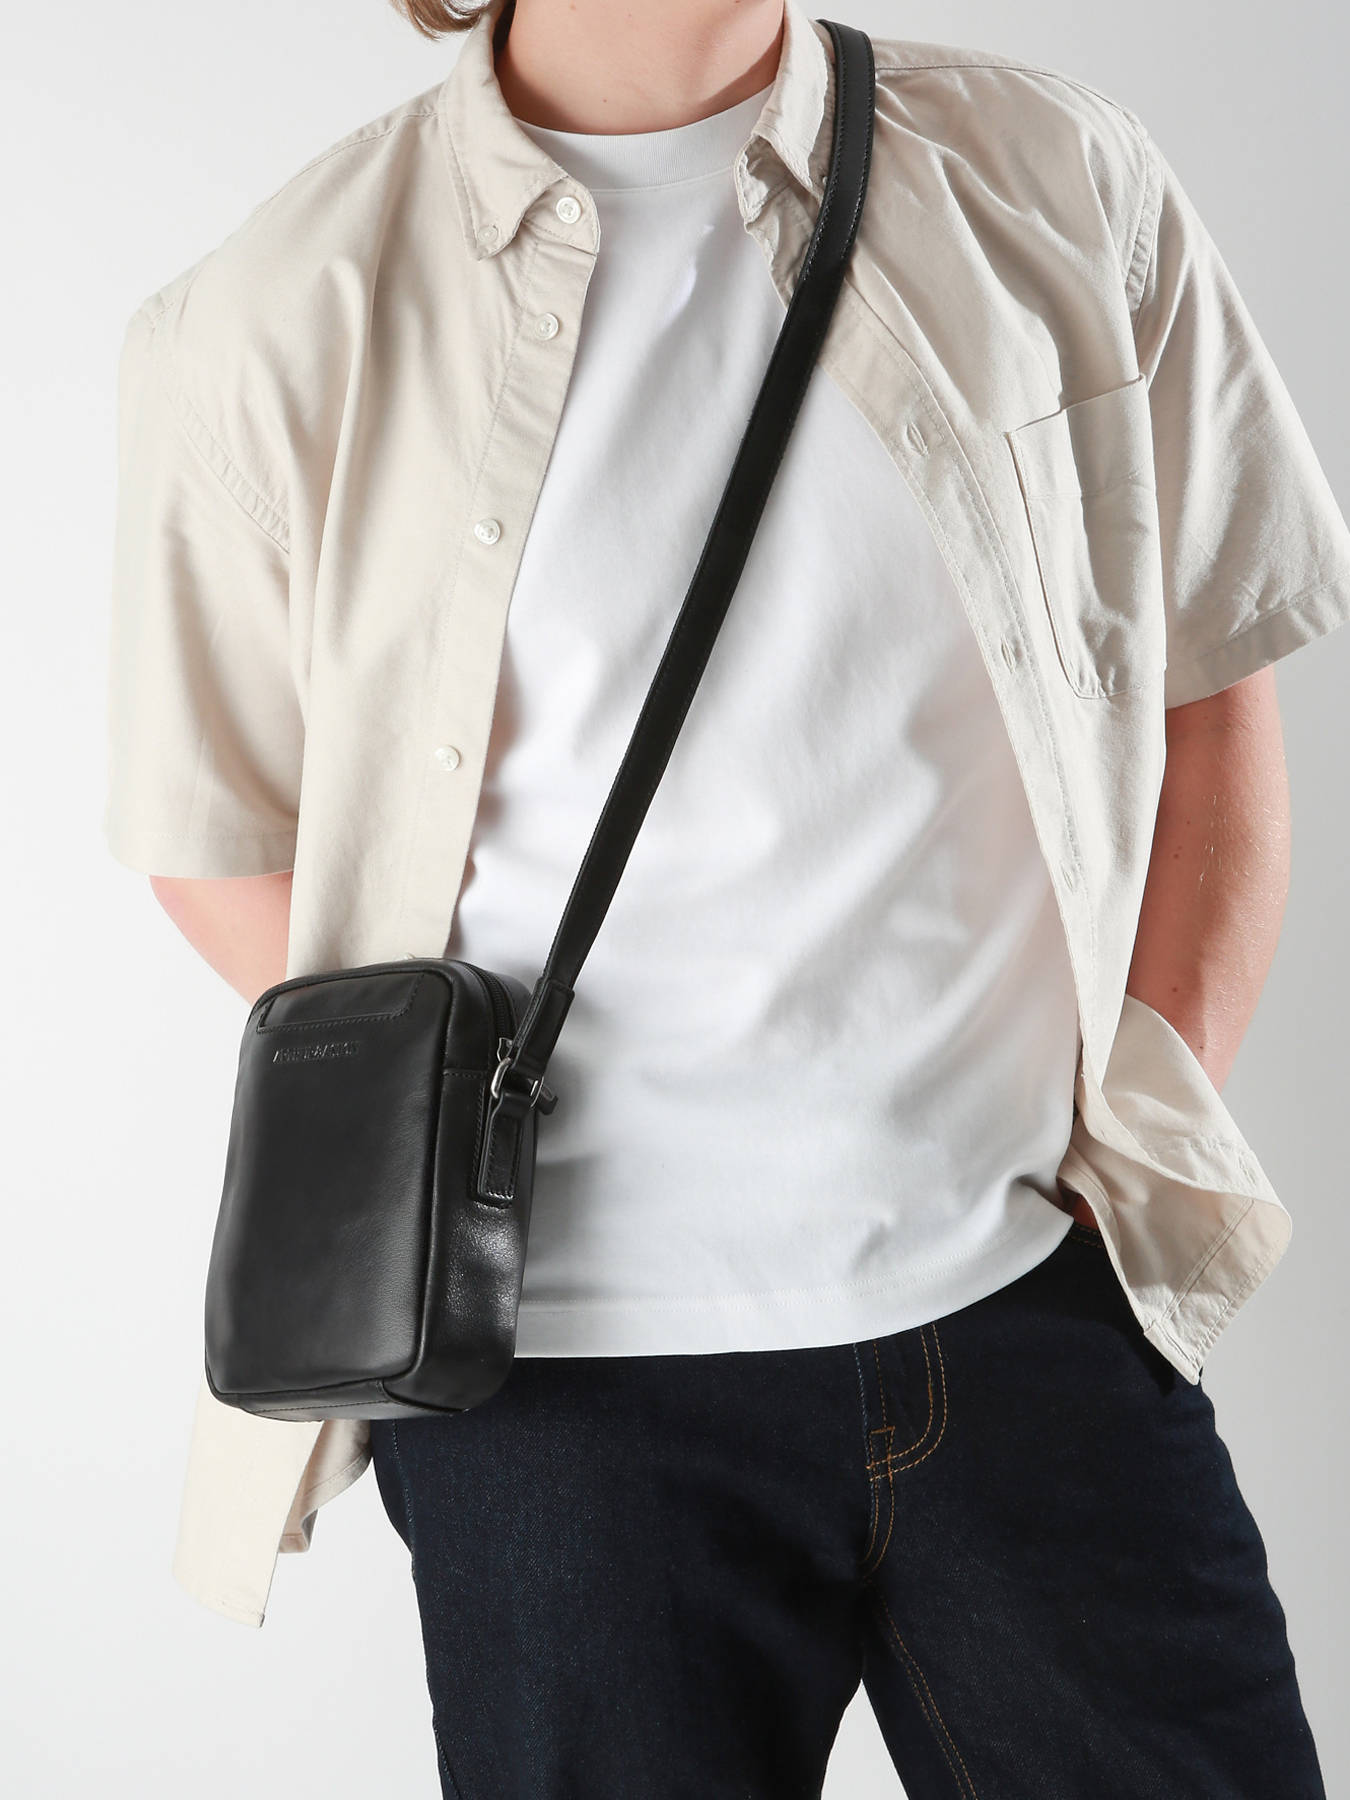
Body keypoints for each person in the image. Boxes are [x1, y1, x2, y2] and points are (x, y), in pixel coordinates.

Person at [103, 0, 1348, 1792]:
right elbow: (218, 839)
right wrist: (453, 1143)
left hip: (1030, 1304)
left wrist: (1142, 1121)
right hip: (560, 1399)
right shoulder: (272, 312)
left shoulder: (1058, 177)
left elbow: (1211, 686)